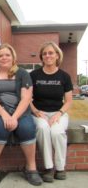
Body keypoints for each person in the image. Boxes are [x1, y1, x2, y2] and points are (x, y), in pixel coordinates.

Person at [0, 44, 43, 186]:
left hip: (19, 111)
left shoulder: (22, 73)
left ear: (13, 57)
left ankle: (31, 168)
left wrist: (14, 117)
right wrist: (4, 115)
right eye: (1, 55)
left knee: (27, 128)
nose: (4, 58)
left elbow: (26, 98)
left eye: (7, 55)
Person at [30, 42, 73, 183]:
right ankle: (48, 168)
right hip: (39, 113)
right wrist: (36, 111)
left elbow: (68, 101)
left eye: (51, 53)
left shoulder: (64, 76)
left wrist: (59, 114)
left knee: (56, 132)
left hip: (58, 113)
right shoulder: (34, 75)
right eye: (45, 53)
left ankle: (60, 168)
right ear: (42, 57)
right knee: (43, 128)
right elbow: (26, 98)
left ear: (57, 55)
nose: (47, 56)